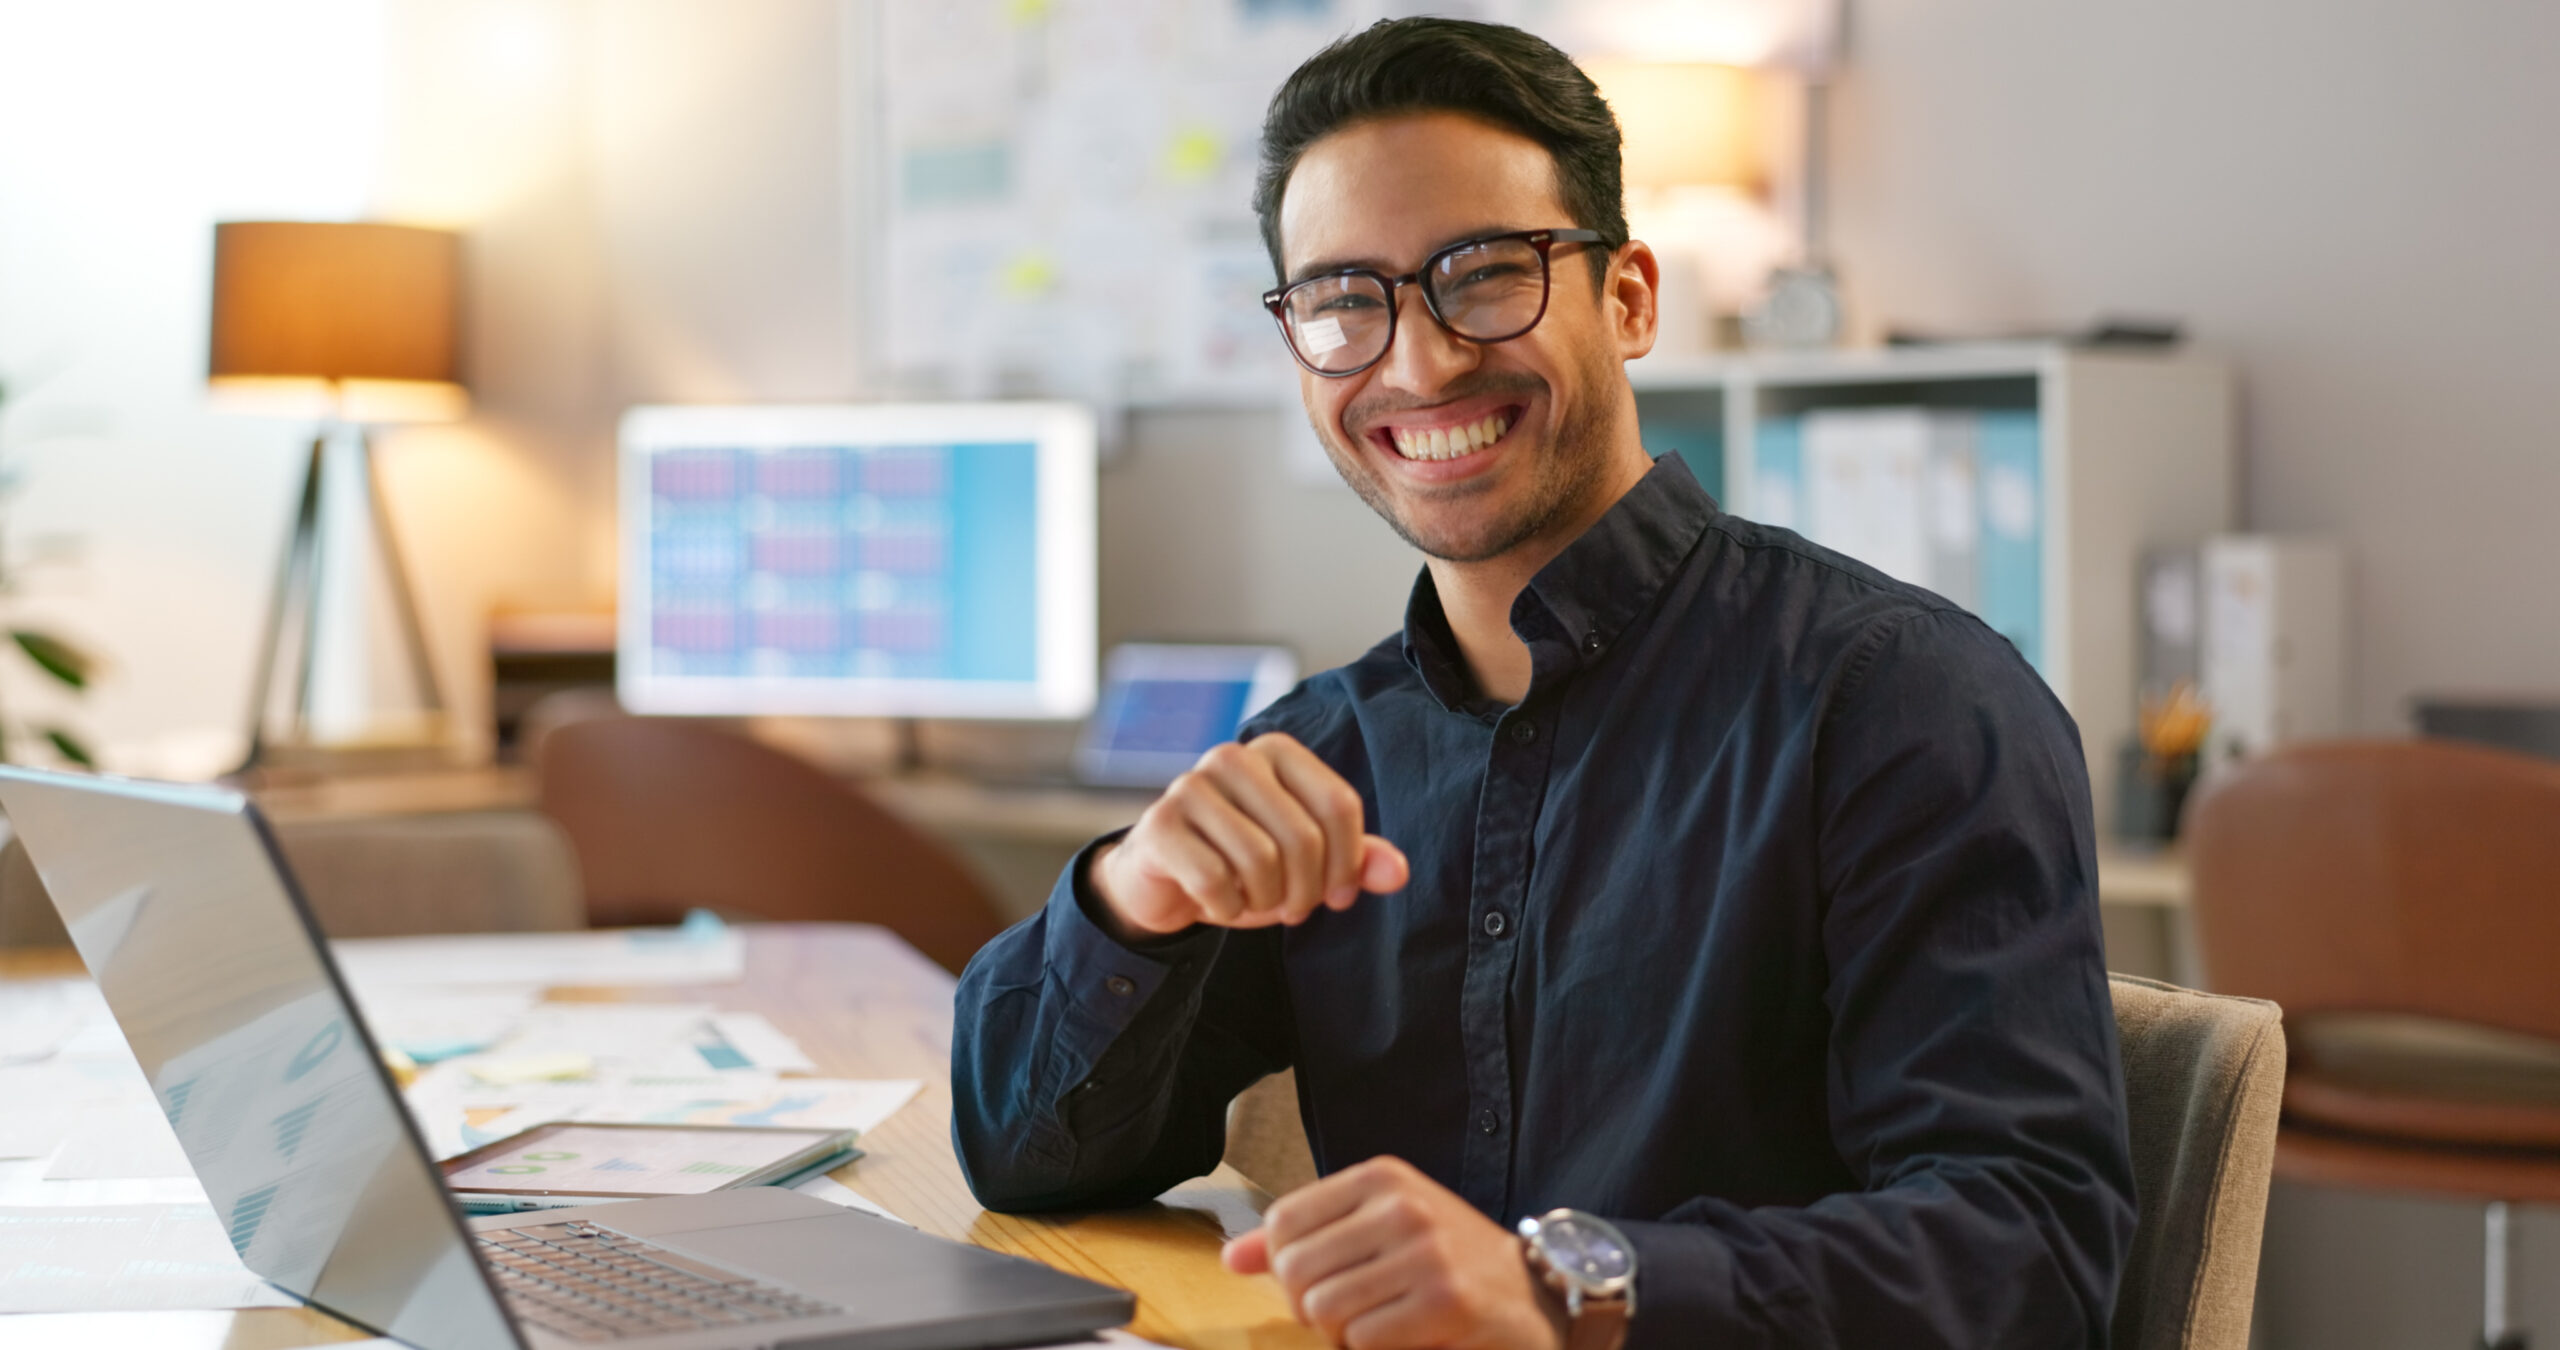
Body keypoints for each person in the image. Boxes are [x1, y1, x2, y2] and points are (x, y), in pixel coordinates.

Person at [951, 17, 2134, 1350]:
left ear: (1628, 297)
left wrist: (1571, 1286)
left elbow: (2030, 1256)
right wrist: (1134, 899)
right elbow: (1025, 1157)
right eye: (1346, 300)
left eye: (1484, 272)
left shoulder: (1903, 702)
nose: (1418, 359)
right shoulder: (1327, 751)